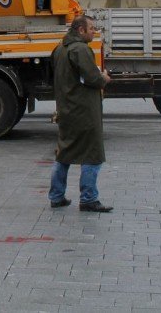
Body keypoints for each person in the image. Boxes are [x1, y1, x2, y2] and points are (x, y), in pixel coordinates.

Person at [48, 15, 113, 212]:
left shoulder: (59, 49)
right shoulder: (81, 49)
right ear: (81, 30)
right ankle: (89, 198)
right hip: (84, 110)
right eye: (91, 28)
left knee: (64, 153)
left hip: (66, 108)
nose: (94, 31)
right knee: (92, 154)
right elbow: (91, 77)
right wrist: (103, 78)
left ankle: (56, 196)